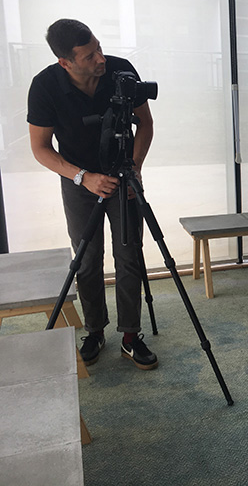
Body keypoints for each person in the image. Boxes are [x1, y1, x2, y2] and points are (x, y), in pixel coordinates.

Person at [27, 18, 159, 370]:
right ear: (65, 62)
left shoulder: (120, 71)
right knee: (87, 259)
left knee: (129, 255)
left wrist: (135, 167)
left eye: (99, 48)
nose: (100, 58)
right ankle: (95, 331)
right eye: (89, 55)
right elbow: (40, 148)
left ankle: (131, 335)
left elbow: (145, 123)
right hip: (79, 181)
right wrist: (83, 177)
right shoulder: (44, 86)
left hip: (123, 177)